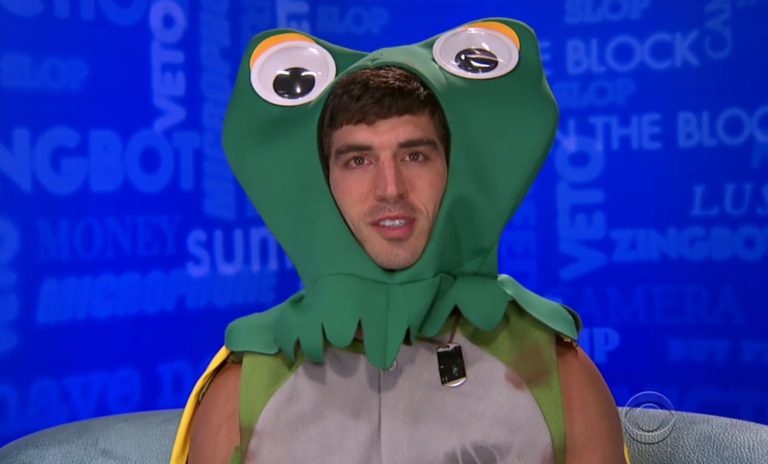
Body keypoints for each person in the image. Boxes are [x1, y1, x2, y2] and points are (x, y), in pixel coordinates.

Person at [172, 19, 629, 464]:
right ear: (323, 181)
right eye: (358, 160)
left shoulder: (557, 373)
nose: (390, 188)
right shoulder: (244, 386)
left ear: (452, 169)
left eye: (414, 155)